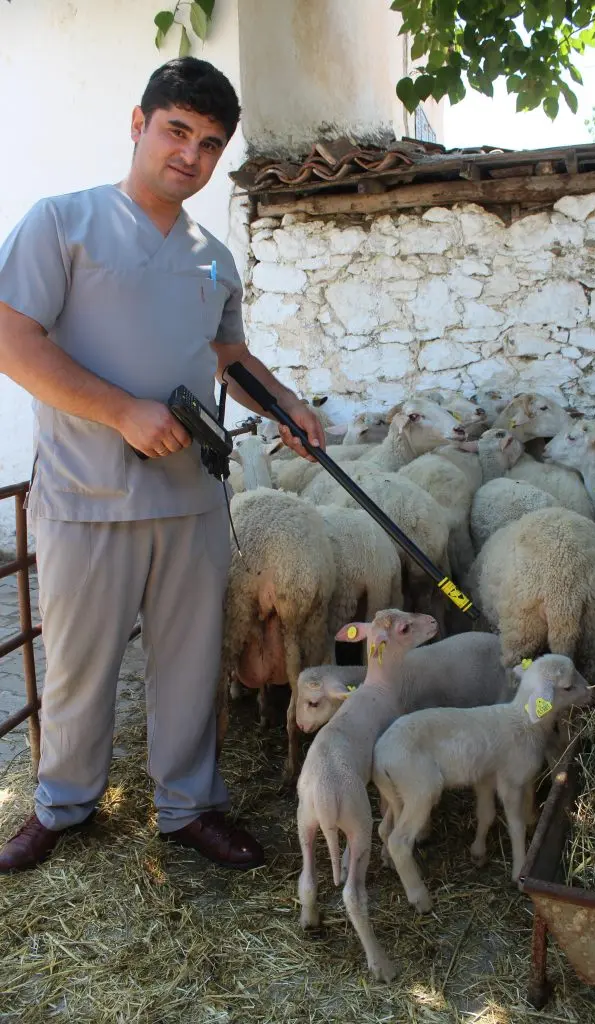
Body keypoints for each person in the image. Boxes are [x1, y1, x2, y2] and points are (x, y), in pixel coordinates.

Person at [0, 57, 325, 874]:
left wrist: (286, 406)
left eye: (210, 143)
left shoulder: (212, 256)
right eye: (177, 130)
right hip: (85, 495)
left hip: (190, 501)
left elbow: (229, 357)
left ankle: (189, 807)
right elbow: (12, 339)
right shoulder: (61, 223)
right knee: (77, 664)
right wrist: (120, 411)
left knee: (188, 664)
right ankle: (63, 805)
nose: (191, 154)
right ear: (138, 123)